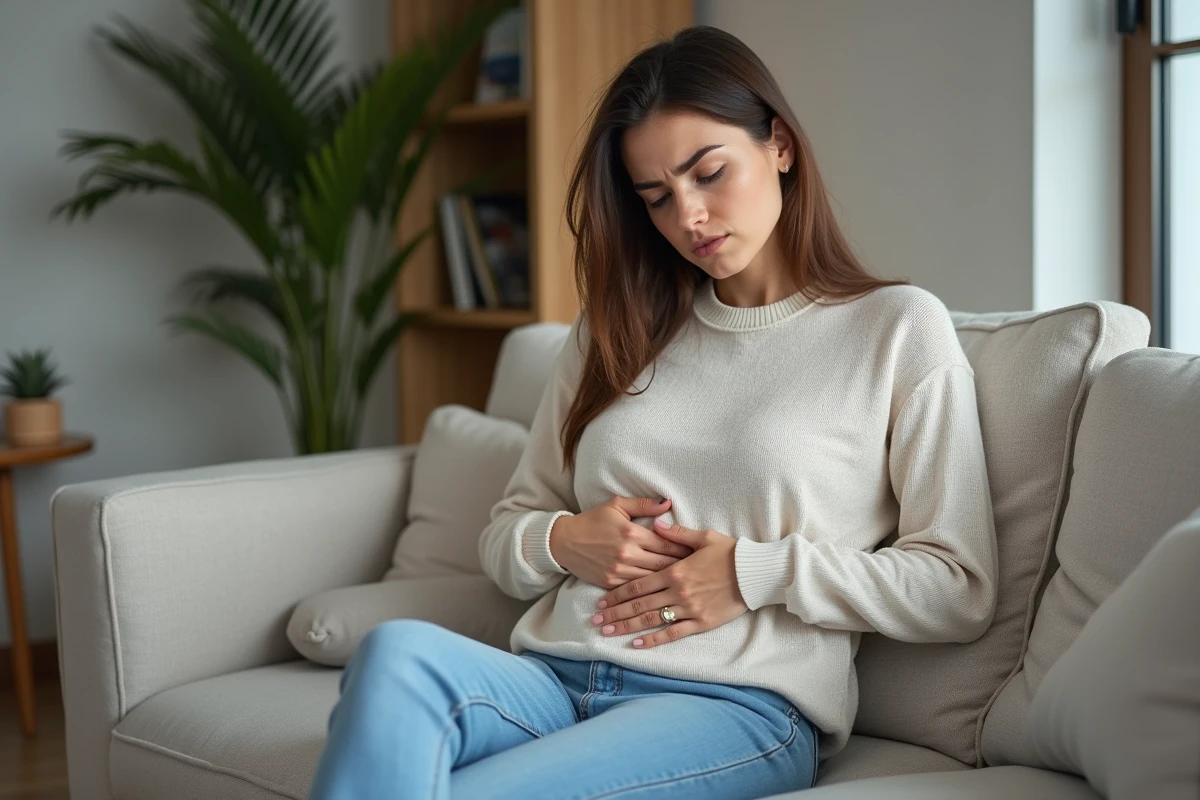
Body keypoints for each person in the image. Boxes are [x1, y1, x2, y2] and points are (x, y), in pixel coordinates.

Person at [309, 24, 998, 800]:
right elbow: (507, 535)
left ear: (780, 145)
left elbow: (958, 586)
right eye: (658, 198)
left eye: (709, 173)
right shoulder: (615, 328)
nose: (690, 217)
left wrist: (754, 572)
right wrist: (566, 540)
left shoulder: (897, 328)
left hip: (731, 704)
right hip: (551, 677)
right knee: (394, 655)